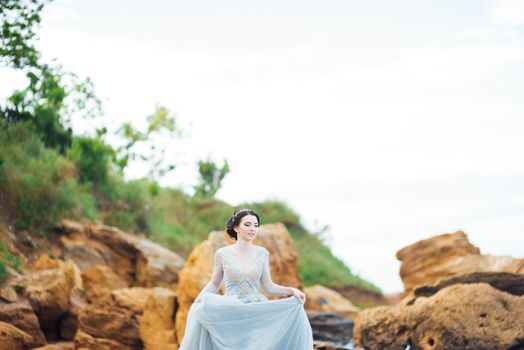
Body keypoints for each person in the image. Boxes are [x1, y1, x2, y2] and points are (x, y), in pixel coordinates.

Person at [179, 208, 314, 350]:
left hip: (255, 309)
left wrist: (292, 290)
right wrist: (199, 298)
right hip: (231, 309)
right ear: (236, 227)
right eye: (248, 225)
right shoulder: (222, 254)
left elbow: (268, 286)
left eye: (256, 225)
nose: (252, 229)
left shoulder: (262, 253)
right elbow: (215, 283)